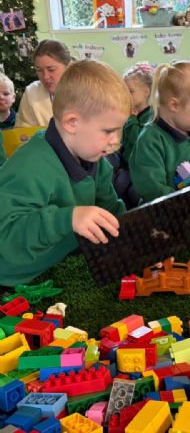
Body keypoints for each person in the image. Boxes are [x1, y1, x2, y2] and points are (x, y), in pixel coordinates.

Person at [0, 60, 132, 286]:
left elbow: (110, 210)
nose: (115, 141)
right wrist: (68, 218)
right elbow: (7, 236)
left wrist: (137, 241)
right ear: (72, 122)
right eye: (108, 131)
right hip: (17, 278)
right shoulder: (31, 166)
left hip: (62, 263)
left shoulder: (96, 158)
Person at [129, 60, 190, 202]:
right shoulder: (150, 140)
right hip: (162, 211)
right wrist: (189, 201)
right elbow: (152, 189)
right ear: (174, 105)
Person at [110, 62, 155, 208]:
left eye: (130, 91)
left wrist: (131, 119)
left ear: (146, 92)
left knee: (122, 186)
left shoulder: (150, 116)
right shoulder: (132, 112)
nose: (126, 96)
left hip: (139, 167)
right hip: (126, 162)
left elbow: (138, 140)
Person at [15, 39, 72, 128]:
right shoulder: (31, 92)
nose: (45, 77)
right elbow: (22, 130)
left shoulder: (85, 90)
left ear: (67, 67)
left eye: (51, 69)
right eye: (39, 70)